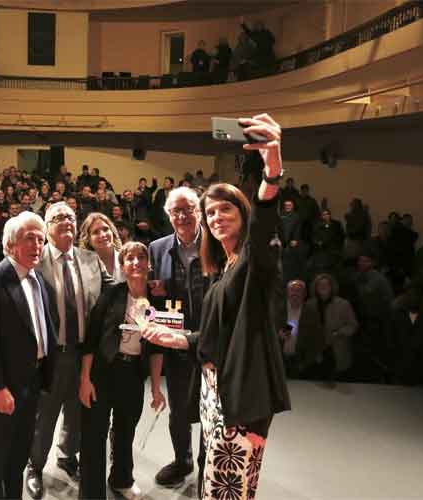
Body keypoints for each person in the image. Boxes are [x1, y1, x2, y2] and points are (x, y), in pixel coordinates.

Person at [142, 114, 290, 500]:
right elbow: (215, 333)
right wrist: (177, 339)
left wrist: (271, 176)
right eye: (211, 213)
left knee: (229, 492)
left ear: (243, 215)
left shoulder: (251, 260)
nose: (217, 217)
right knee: (214, 488)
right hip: (214, 391)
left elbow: (263, 230)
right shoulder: (222, 268)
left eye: (227, 210)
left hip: (239, 396)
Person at [25, 203, 113, 499]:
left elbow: (113, 292)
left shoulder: (90, 259)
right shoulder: (35, 262)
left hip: (84, 354)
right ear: (47, 227)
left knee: (77, 412)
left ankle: (67, 456)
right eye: (58, 217)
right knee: (45, 416)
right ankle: (35, 466)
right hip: (52, 354)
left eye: (71, 217)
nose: (66, 221)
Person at [0, 212, 56, 499]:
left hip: (29, 386)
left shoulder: (38, 279)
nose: (36, 245)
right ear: (10, 244)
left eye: (40, 239)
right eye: (28, 238)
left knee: (17, 461)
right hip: (1, 390)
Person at [78, 241, 165, 500]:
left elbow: (159, 348)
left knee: (125, 431)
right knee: (94, 435)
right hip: (102, 373)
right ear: (123, 265)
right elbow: (91, 339)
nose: (136, 262)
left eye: (141, 257)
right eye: (130, 258)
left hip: (133, 376)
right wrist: (85, 380)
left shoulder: (157, 300)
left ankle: (121, 479)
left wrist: (157, 389)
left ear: (149, 264)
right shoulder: (111, 295)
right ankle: (92, 493)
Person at [147, 186, 208, 487]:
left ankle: (205, 464)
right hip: (175, 343)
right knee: (179, 409)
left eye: (188, 209)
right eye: (176, 211)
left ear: (199, 210)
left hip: (211, 341)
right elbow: (148, 294)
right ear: (168, 215)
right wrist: (153, 288)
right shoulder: (157, 249)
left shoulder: (218, 245)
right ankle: (183, 460)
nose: (182, 216)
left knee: (210, 407)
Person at [296, 274, 359, 382]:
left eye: (326, 284)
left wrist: (339, 332)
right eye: (320, 284)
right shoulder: (309, 304)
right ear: (315, 287)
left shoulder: (343, 304)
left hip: (336, 348)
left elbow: (353, 325)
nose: (323, 286)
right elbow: (296, 322)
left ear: (332, 287)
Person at [78, 212, 124, 282]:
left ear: (112, 232)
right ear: (88, 240)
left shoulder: (126, 260)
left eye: (106, 229)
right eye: (95, 232)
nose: (102, 235)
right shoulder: (82, 269)